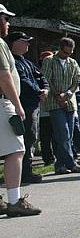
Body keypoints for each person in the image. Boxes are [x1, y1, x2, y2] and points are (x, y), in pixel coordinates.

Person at [0, 4, 41, 217]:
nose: (8, 23)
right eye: (5, 19)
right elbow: (5, 77)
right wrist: (17, 105)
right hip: (2, 102)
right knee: (16, 150)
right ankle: (14, 201)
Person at [6, 31, 49, 184]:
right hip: (23, 106)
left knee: (30, 138)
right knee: (25, 139)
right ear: (14, 43)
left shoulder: (27, 62)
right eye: (24, 41)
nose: (28, 44)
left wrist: (45, 89)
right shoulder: (12, 62)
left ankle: (26, 171)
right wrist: (38, 92)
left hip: (32, 105)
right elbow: (23, 82)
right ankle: (24, 172)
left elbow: (41, 76)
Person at [41, 37, 80, 175]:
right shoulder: (49, 61)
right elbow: (46, 79)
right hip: (54, 103)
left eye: (70, 53)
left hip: (70, 102)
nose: (68, 55)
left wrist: (67, 94)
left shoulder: (72, 63)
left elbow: (78, 81)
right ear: (60, 49)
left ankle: (60, 165)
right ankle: (71, 163)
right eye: (66, 52)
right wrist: (57, 96)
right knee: (63, 133)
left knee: (69, 135)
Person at [38, 51, 55, 165]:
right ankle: (48, 159)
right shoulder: (38, 73)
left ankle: (55, 158)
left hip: (54, 108)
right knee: (45, 137)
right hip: (43, 110)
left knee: (55, 136)